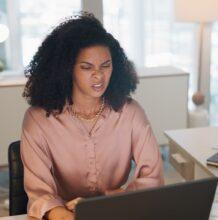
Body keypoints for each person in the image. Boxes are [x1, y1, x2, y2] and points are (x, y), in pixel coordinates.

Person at [21, 12, 164, 220]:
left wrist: (104, 204)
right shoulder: (38, 120)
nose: (98, 75)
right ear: (66, 69)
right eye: (87, 67)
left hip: (117, 213)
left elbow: (153, 181)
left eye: (105, 66)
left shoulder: (131, 113)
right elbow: (41, 196)